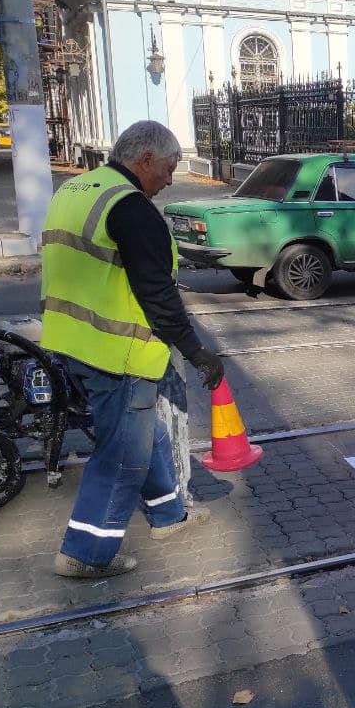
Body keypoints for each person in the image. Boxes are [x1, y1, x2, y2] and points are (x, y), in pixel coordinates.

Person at [40, 121, 225, 578]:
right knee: (124, 453)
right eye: (168, 168)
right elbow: (158, 296)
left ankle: (168, 515)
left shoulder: (77, 189)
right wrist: (197, 351)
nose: (170, 179)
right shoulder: (131, 208)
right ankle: (85, 554)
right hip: (117, 352)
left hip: (70, 341)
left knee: (145, 433)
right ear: (144, 160)